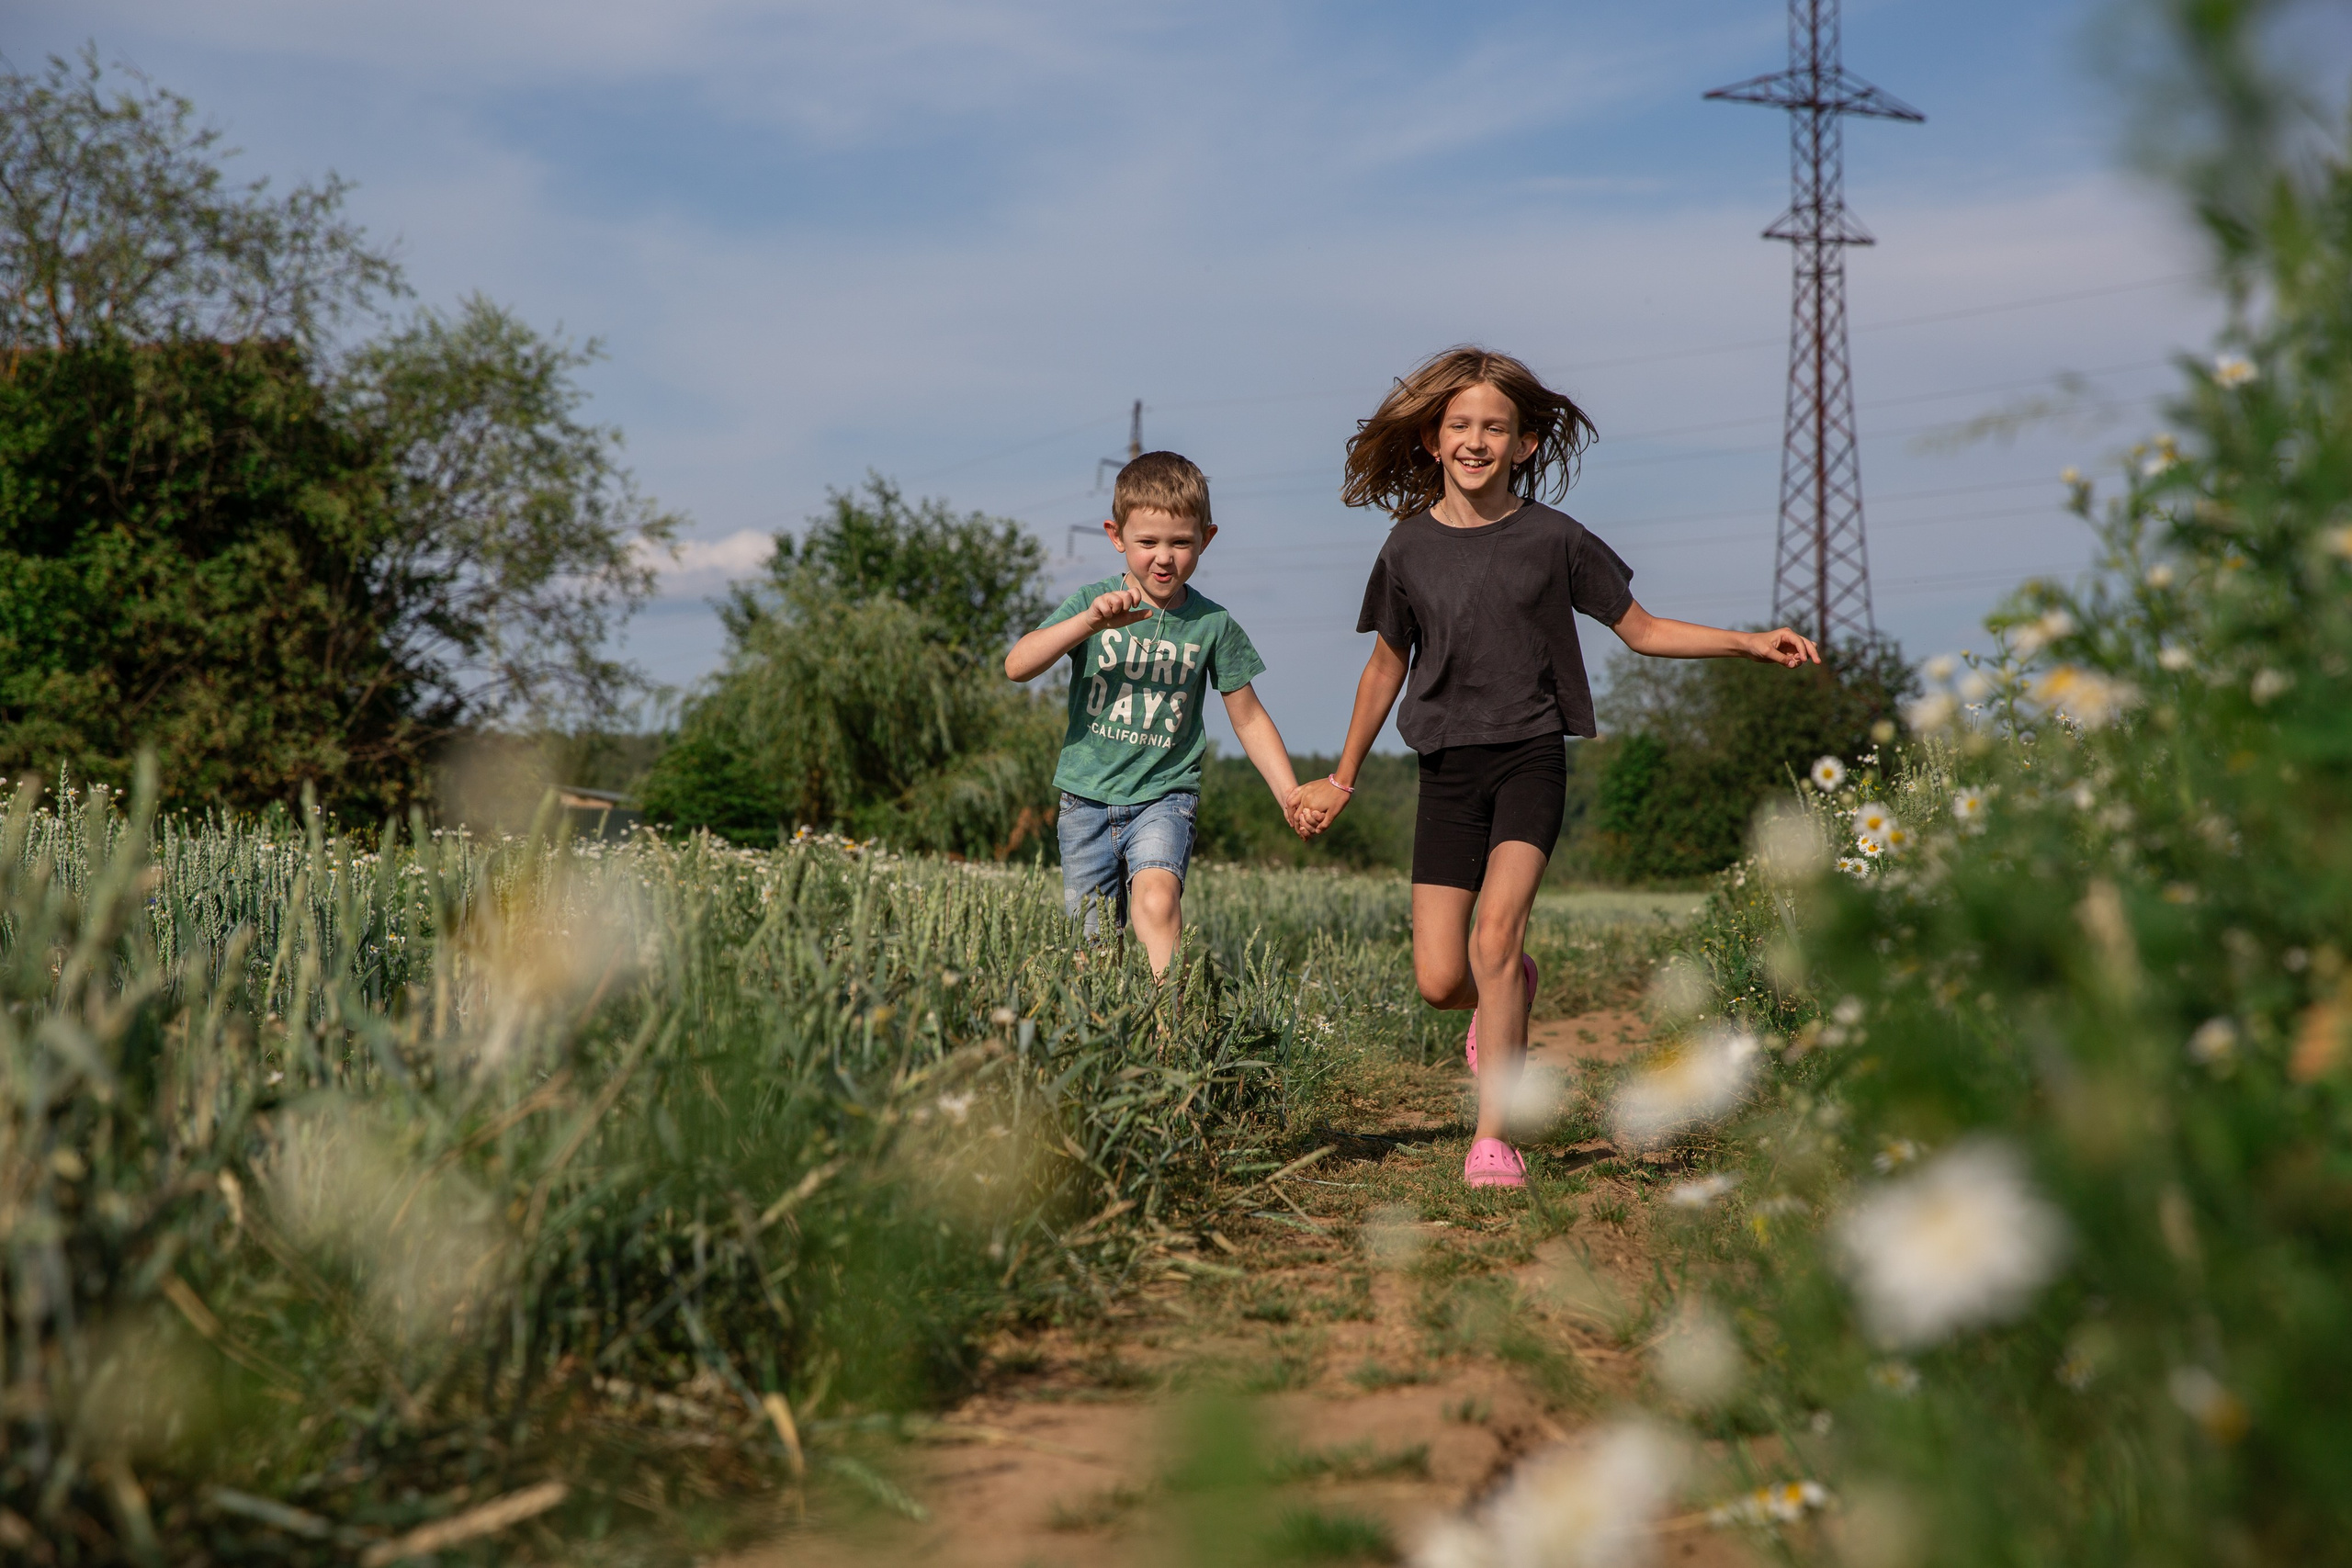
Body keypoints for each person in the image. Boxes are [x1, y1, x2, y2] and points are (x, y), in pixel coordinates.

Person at [1292, 347, 1819, 1188]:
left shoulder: (1556, 539)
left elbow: (1640, 630)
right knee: (1440, 979)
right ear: (1431, 438)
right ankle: (1510, 990)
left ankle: (1492, 1137)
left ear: (1526, 443)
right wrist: (1342, 779)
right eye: (1459, 425)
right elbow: (1384, 669)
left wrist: (1746, 641)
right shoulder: (1407, 550)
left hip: (1532, 757)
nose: (1476, 441)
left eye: (1495, 427)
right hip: (1446, 769)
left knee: (1495, 936)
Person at [1006, 451, 1308, 974]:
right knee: (1092, 954)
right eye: (1147, 542)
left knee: (1157, 901)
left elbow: (1249, 717)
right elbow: (1018, 665)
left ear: (1206, 539)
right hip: (1085, 800)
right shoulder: (1092, 603)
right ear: (1116, 535)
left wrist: (1288, 793)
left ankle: (1171, 1036)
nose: (1163, 558)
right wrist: (1088, 625)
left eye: (1181, 543)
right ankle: (1112, 1042)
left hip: (1165, 796)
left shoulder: (1212, 624)